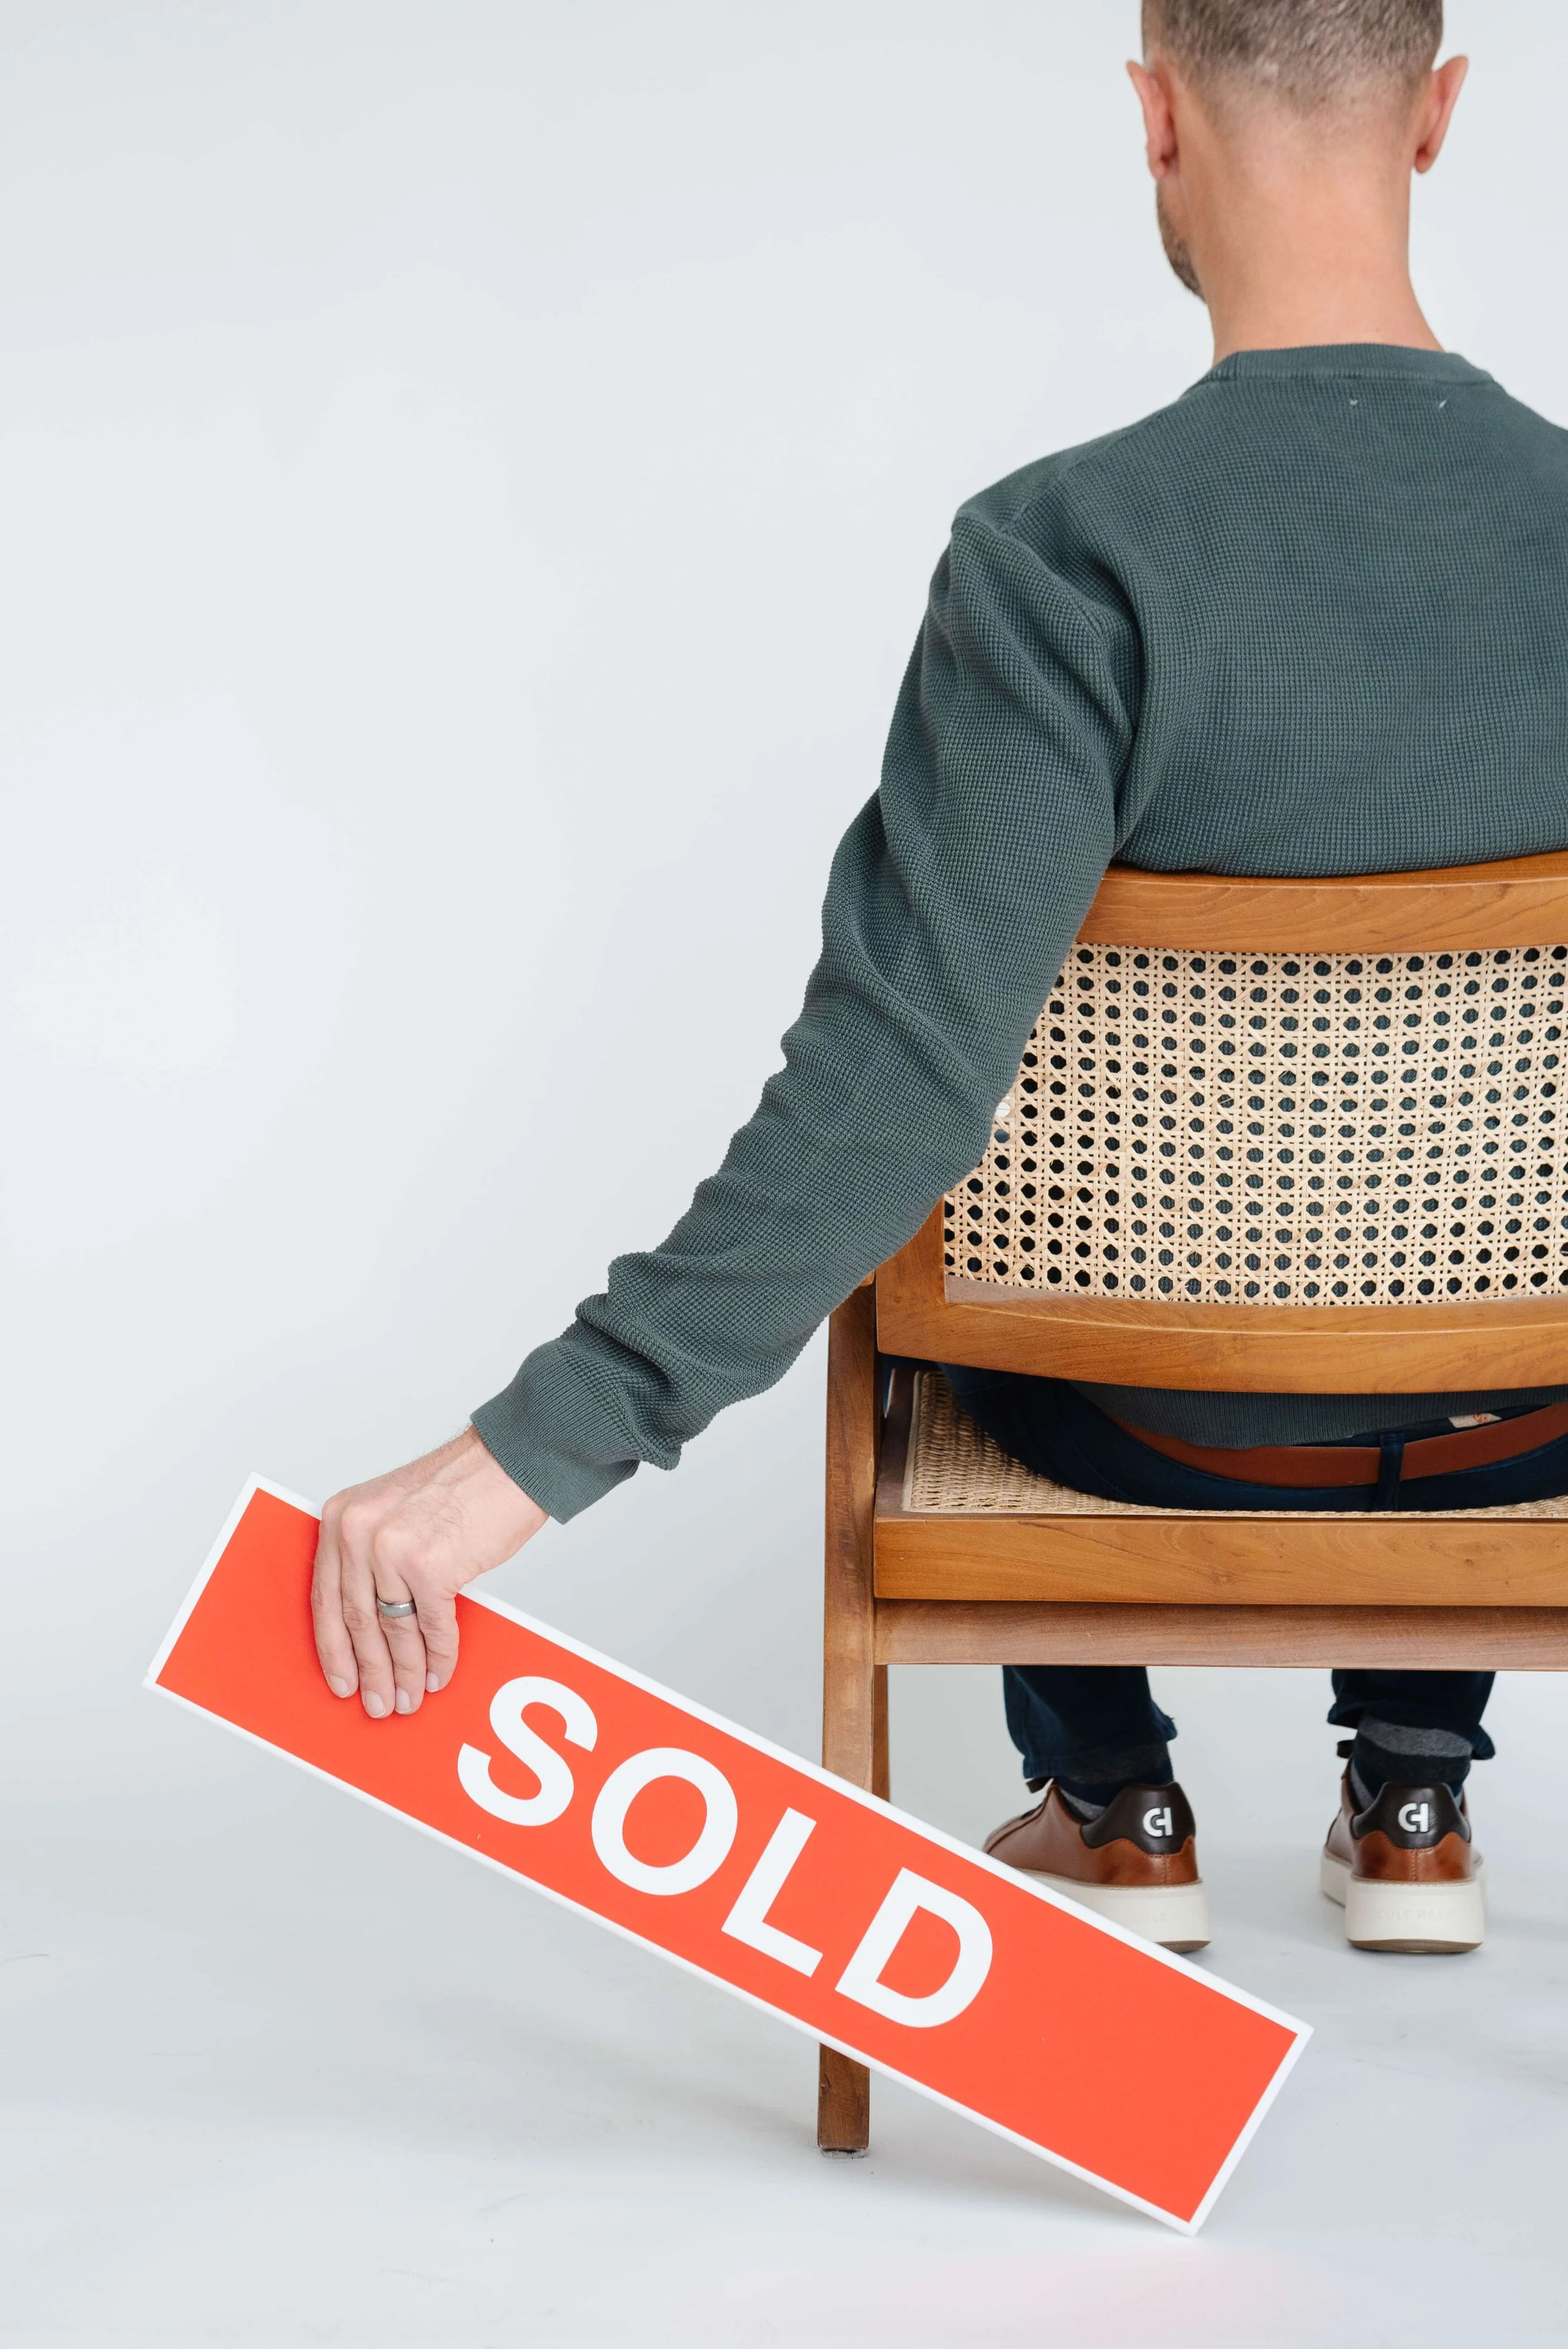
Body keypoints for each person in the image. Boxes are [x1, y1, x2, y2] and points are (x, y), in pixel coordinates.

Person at [309, 0, 1568, 1960]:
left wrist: (532, 1455)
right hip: (1533, 1417)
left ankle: (1110, 1801)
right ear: (1442, 119)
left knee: (960, 1217)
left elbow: (895, 1078)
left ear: (1152, 117)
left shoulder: (1059, 556)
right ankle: (1413, 1787)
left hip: (1131, 1432)